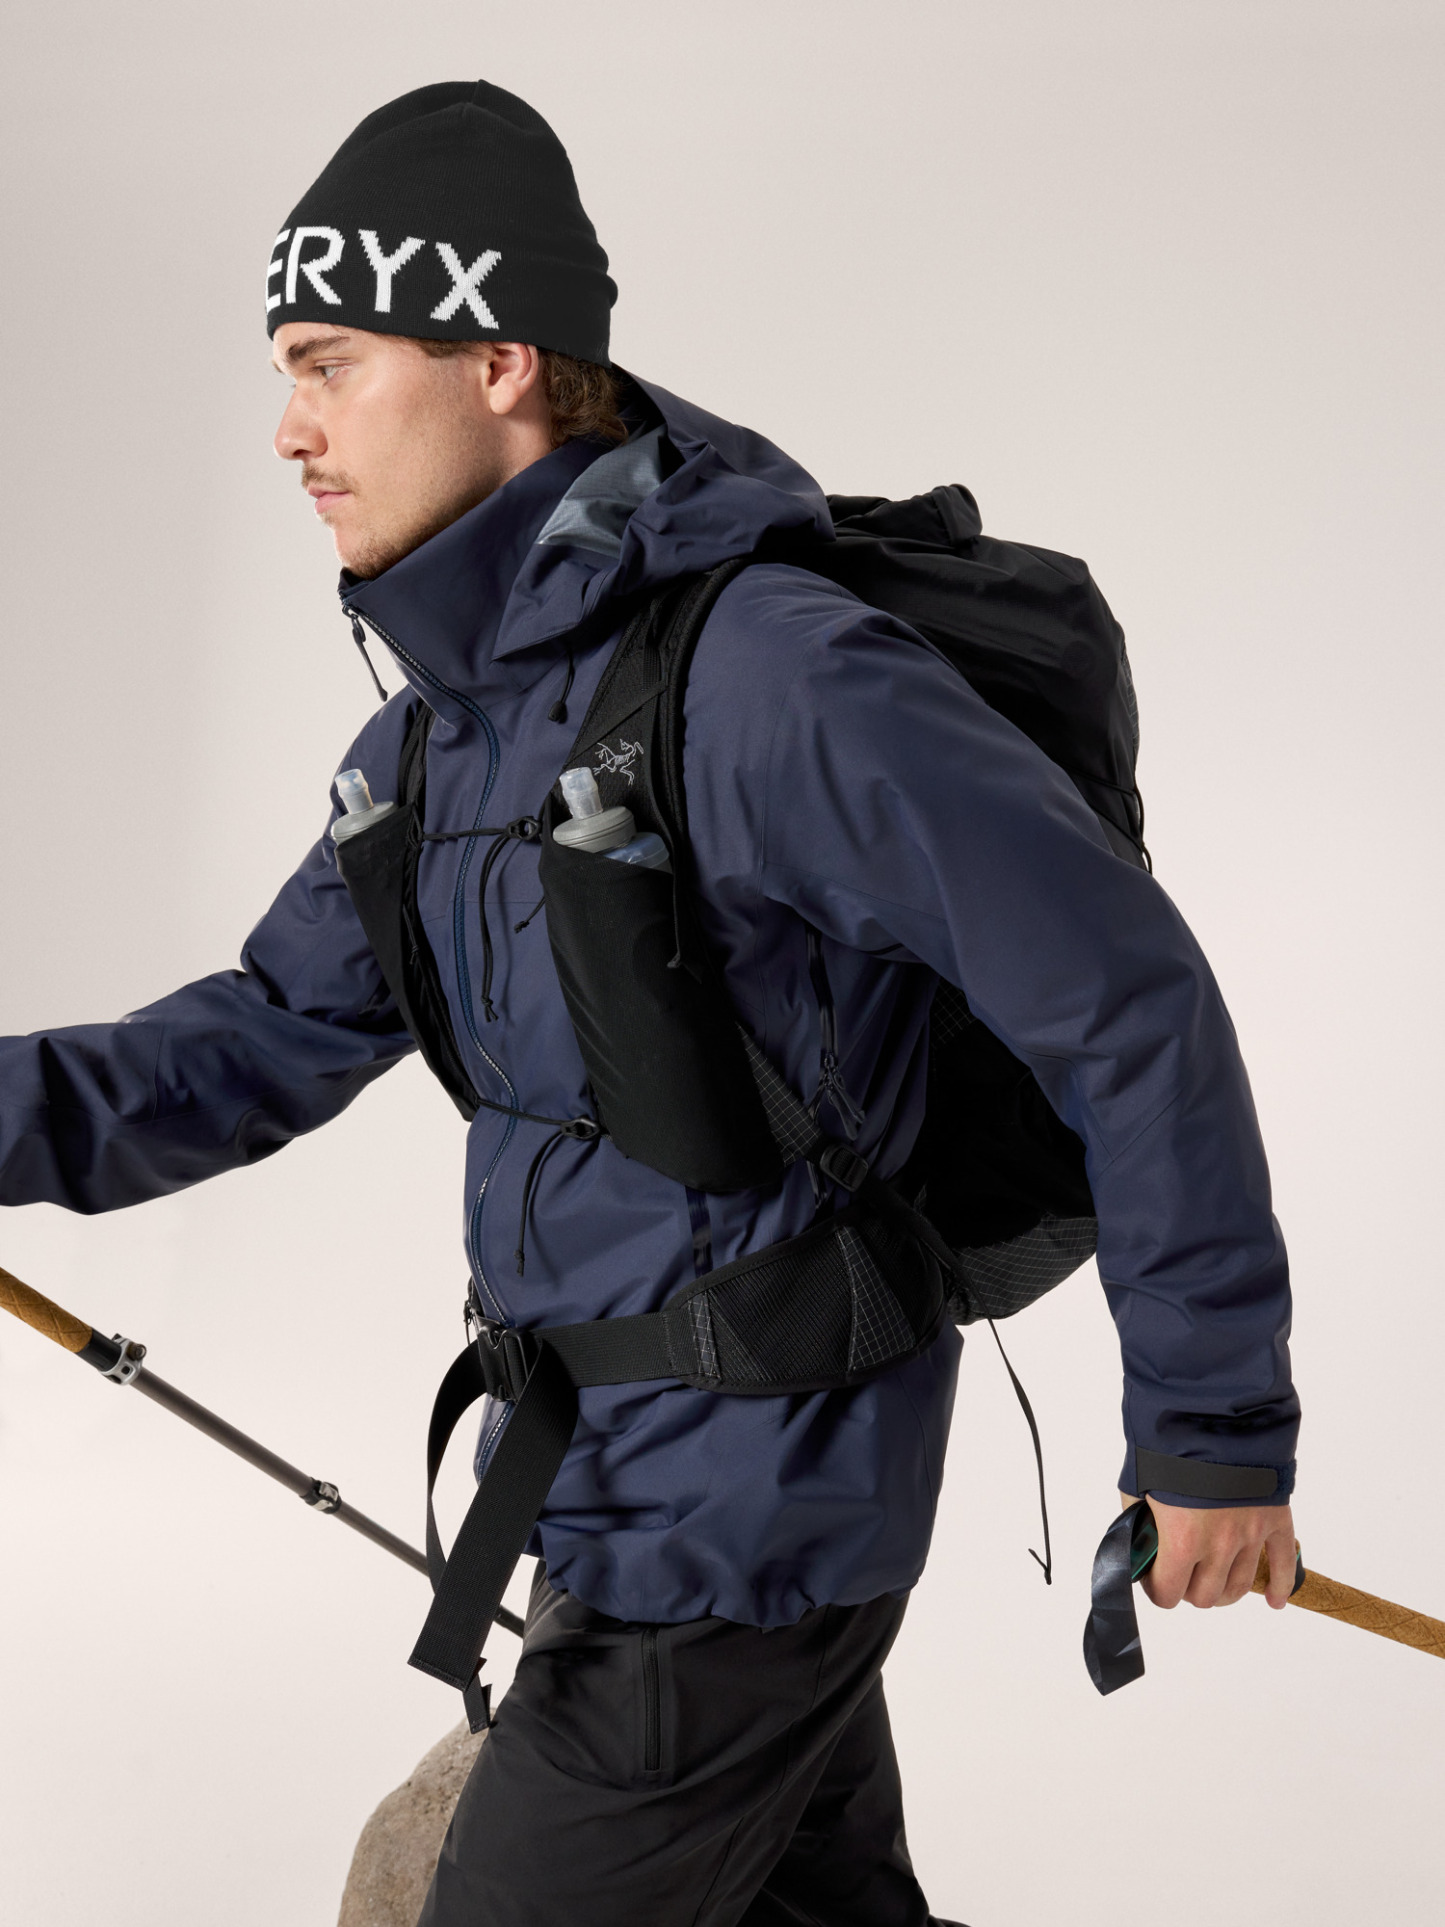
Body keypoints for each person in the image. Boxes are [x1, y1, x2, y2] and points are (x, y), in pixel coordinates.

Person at [0, 80, 1300, 1927]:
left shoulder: (771, 682)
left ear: (502, 360)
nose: (289, 429)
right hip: (603, 1499)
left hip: (744, 1527)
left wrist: (1212, 1432)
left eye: (329, 364)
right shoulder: (438, 739)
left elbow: (1125, 1004)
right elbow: (247, 1045)